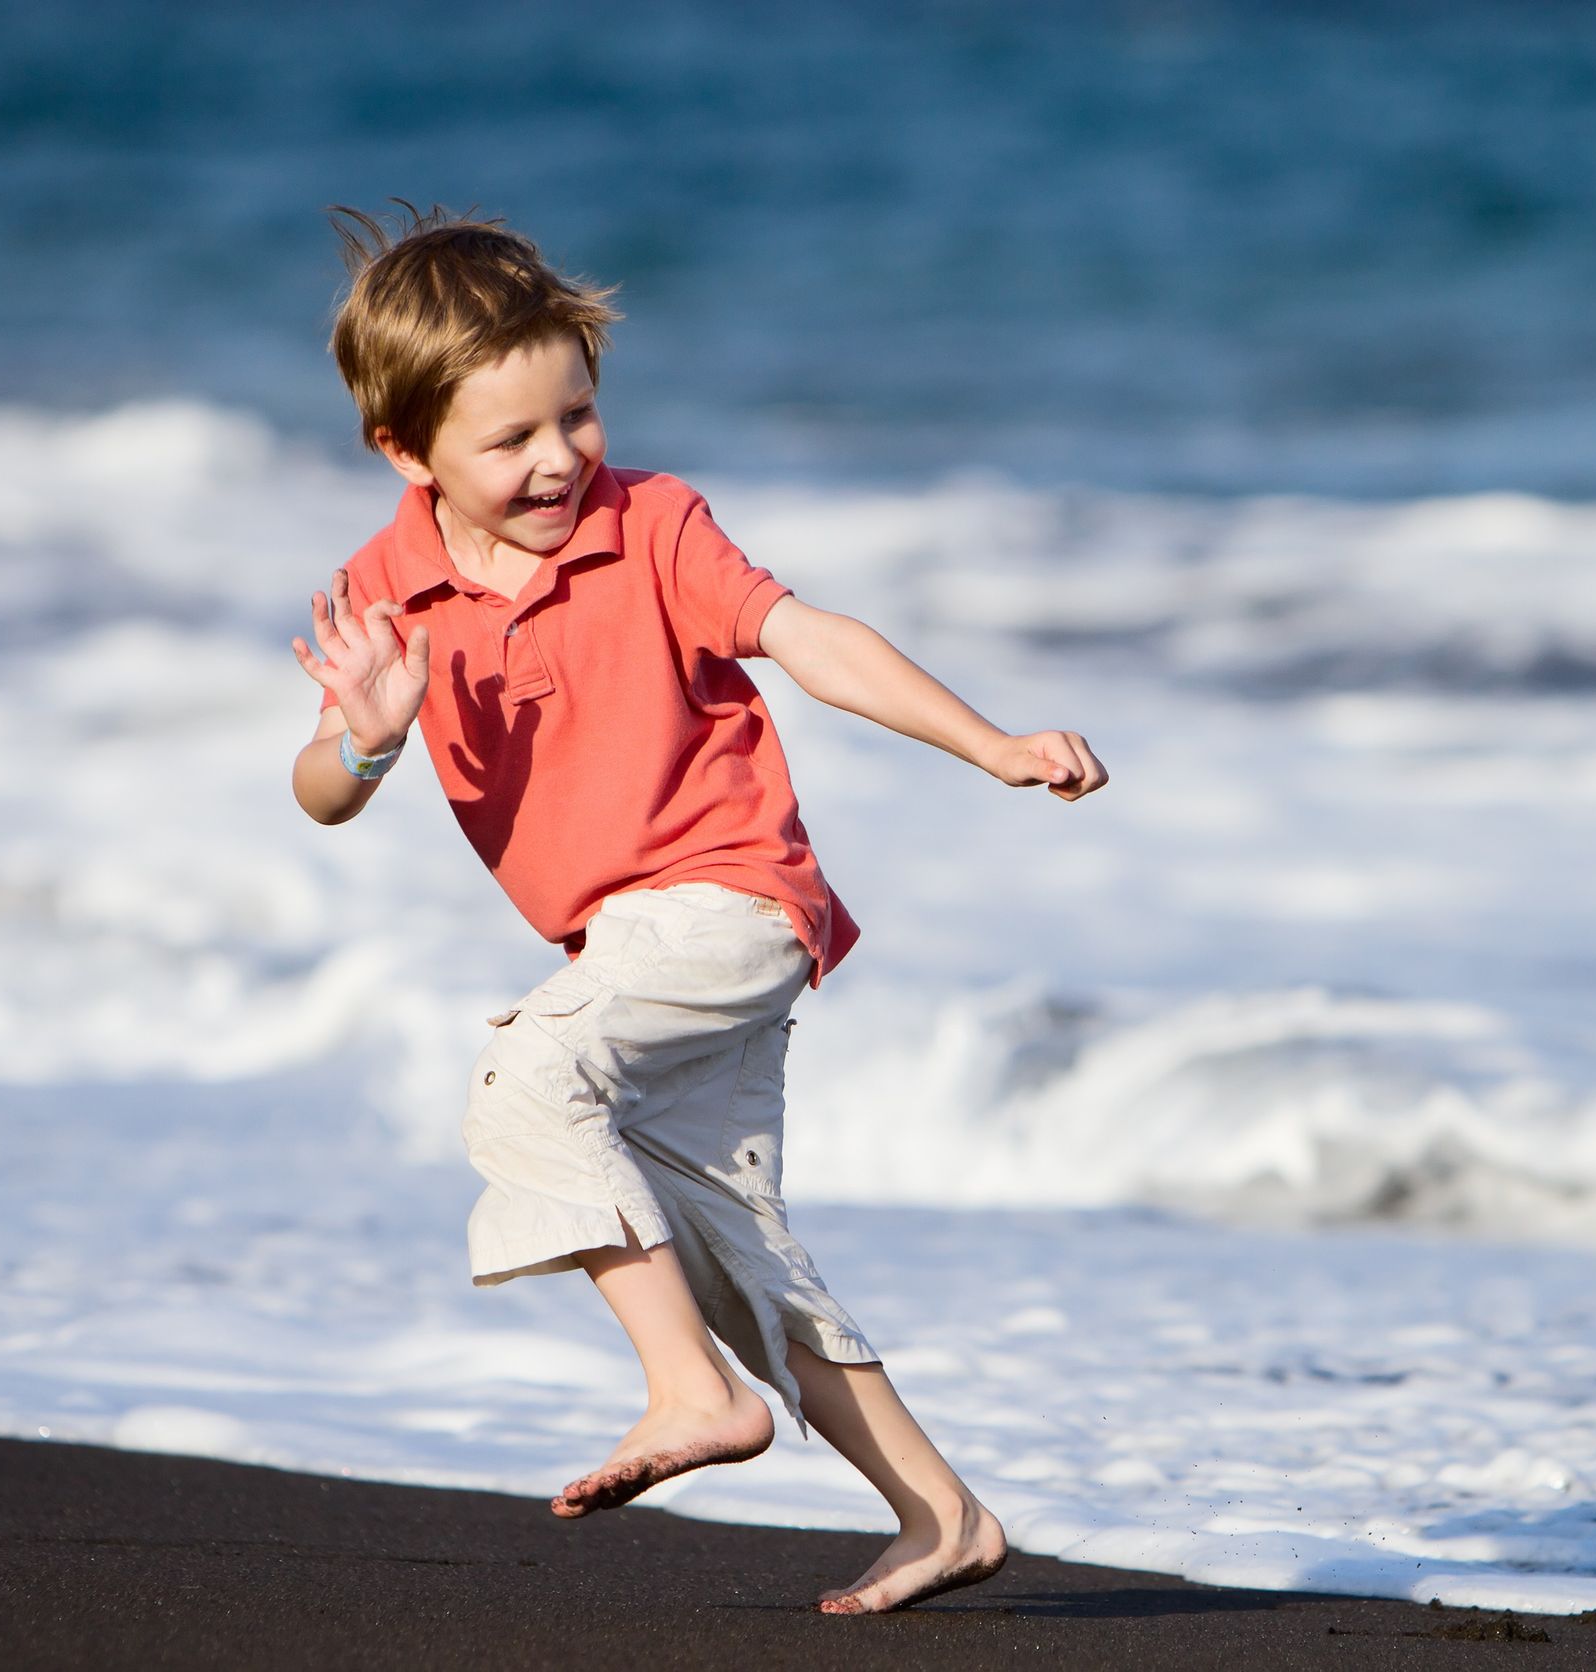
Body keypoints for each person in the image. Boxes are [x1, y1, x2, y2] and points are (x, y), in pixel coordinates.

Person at [288, 204, 1108, 1615]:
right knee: (734, 1253)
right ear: (406, 452)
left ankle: (689, 1395)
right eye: (512, 439)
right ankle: (943, 1514)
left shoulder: (653, 525)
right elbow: (319, 789)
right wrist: (366, 738)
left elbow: (814, 643)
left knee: (522, 1084)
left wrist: (992, 744)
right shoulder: (387, 590)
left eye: (580, 413)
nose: (559, 459)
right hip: (623, 943)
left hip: (729, 899)